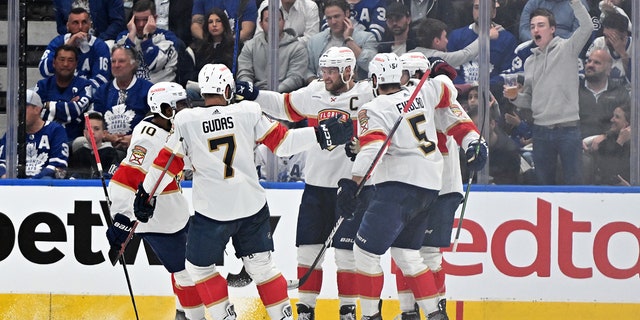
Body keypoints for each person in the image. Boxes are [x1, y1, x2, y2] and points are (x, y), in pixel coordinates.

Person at [132, 63, 353, 320]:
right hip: (252, 207)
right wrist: (321, 133)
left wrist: (145, 194)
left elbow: (166, 163)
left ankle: (226, 317)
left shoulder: (185, 120)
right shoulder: (248, 111)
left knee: (198, 268)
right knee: (263, 268)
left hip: (212, 212)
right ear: (228, 89)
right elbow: (284, 144)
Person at [336, 52, 486, 320]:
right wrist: (443, 74)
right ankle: (434, 313)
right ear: (401, 75)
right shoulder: (424, 91)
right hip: (430, 187)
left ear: (374, 79)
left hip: (398, 187)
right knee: (406, 251)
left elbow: (373, 149)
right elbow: (446, 90)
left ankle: (370, 316)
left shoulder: (373, 108)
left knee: (364, 251)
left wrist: (352, 183)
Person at [238, 46, 375, 319]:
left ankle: (347, 308)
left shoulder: (367, 94)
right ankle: (306, 308)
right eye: (324, 70)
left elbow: (390, 116)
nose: (326, 76)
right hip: (315, 186)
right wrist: (254, 94)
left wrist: (363, 144)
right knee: (308, 250)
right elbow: (283, 105)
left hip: (353, 187)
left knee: (347, 254)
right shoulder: (315, 92)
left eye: (332, 71)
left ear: (348, 71)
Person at [104, 82, 207, 320]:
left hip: (172, 214)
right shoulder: (148, 140)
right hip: (157, 220)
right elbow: (125, 179)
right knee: (187, 272)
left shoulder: (169, 128)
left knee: (188, 268)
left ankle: (182, 313)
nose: (185, 109)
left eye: (185, 104)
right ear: (163, 108)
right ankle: (193, 317)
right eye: (179, 105)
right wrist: (122, 218)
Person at [504, 0, 592, 185]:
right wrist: (515, 98)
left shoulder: (568, 48)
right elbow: (528, 99)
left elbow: (587, 26)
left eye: (541, 25)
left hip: (568, 129)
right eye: (533, 26)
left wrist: (575, 2)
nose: (536, 30)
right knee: (543, 184)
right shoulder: (529, 62)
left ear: (553, 29)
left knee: (574, 182)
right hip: (541, 131)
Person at [93, 45, 154, 150]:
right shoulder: (102, 91)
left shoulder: (148, 89)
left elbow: (154, 124)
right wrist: (106, 136)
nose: (116, 65)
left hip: (139, 144)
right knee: (79, 143)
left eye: (121, 61)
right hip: (107, 145)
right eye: (113, 61)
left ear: (132, 64)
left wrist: (134, 138)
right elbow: (94, 122)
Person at [0, 89, 69, 179]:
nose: (19, 112)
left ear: (37, 109)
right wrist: (5, 176)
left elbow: (58, 166)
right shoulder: (12, 133)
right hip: (16, 187)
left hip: (43, 187)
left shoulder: (55, 130)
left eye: (23, 107)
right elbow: (2, 162)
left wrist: (32, 182)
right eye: (17, 107)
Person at [447, 0, 518, 86]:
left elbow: (507, 73)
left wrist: (484, 86)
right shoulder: (456, 36)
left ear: (494, 12)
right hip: (461, 96)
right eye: (477, 8)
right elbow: (449, 69)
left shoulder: (507, 39)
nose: (480, 12)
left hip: (494, 94)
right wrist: (467, 88)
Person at [237, 6, 308, 93]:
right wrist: (251, 91)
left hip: (285, 97)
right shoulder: (250, 46)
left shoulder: (297, 48)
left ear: (284, 22)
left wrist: (273, 94)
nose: (273, 24)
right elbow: (244, 72)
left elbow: (296, 77)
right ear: (261, 24)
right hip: (255, 95)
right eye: (268, 20)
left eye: (277, 19)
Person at [40, 7, 112, 92]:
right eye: (75, 23)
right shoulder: (58, 42)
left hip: (87, 94)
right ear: (68, 26)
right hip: (59, 91)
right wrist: (66, 47)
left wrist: (77, 90)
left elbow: (101, 80)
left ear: (90, 25)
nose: (80, 27)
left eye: (84, 22)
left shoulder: (100, 46)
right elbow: (45, 71)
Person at [306, 0, 378, 82]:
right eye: (329, 18)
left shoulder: (366, 38)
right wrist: (316, 85)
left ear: (347, 14)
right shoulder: (315, 41)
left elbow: (371, 66)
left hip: (354, 89)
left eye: (336, 16)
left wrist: (349, 39)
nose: (333, 22)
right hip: (321, 87)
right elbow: (308, 71)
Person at [35, 45, 94, 143]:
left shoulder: (85, 86)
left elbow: (75, 110)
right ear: (54, 63)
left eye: (70, 60)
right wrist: (67, 107)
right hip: (45, 140)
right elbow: (35, 113)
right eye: (62, 60)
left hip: (74, 141)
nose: (66, 64)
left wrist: (48, 105)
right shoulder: (42, 85)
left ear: (76, 64)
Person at [115, 0, 182, 83]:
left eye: (145, 20)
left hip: (160, 90)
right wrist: (131, 36)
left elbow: (154, 65)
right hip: (132, 91)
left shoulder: (167, 38)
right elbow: (122, 67)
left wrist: (146, 36)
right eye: (137, 20)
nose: (141, 24)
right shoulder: (123, 37)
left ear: (155, 18)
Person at [578, 48, 630, 138]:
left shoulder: (620, 93)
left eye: (597, 63)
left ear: (608, 70)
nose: (590, 65)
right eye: (589, 61)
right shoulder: (574, 91)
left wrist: (606, 137)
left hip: (610, 146)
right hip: (578, 146)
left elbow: (626, 125)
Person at [411, 18, 490, 70]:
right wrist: (485, 37)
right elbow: (466, 54)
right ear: (437, 41)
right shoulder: (437, 59)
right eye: (445, 37)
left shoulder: (407, 55)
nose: (447, 41)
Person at [582, 102, 630, 185]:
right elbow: (609, 173)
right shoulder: (607, 141)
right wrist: (619, 142)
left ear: (627, 124)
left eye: (617, 117)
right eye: (613, 116)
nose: (612, 119)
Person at [66, 112, 120, 179]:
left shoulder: (111, 153)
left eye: (96, 129)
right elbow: (72, 174)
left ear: (104, 133)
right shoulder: (79, 153)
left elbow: (112, 173)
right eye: (88, 129)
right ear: (84, 133)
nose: (92, 132)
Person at [586, 11, 632, 83]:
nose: (606, 41)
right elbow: (588, 73)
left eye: (611, 37)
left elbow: (635, 81)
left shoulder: (635, 46)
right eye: (605, 36)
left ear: (624, 35)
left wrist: (623, 54)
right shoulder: (599, 43)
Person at [518, 0, 590, 42]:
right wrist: (539, 41)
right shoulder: (534, 2)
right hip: (535, 48)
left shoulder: (578, 3)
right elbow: (524, 30)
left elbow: (580, 33)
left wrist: (557, 45)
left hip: (566, 50)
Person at [53, 0, 126, 42]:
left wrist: (96, 41)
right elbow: (61, 26)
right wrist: (74, 38)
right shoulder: (60, 1)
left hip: (105, 40)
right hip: (72, 41)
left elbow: (118, 23)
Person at [255, 0, 320, 45]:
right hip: (269, 53)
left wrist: (285, 45)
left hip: (299, 55)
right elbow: (258, 37)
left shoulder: (310, 7)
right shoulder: (267, 5)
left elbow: (312, 40)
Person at [191, 0, 258, 42]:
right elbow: (195, 25)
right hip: (208, 47)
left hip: (235, 47)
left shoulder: (247, 1)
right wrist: (209, 41)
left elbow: (247, 31)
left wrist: (226, 43)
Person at [320, 0, 386, 42]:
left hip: (364, 49)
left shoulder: (376, 2)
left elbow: (377, 35)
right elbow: (326, 31)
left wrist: (350, 40)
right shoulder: (332, 4)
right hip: (334, 47)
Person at [386, 0, 461, 32]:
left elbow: (448, 26)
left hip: (431, 40)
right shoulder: (399, 1)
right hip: (406, 38)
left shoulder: (442, 2)